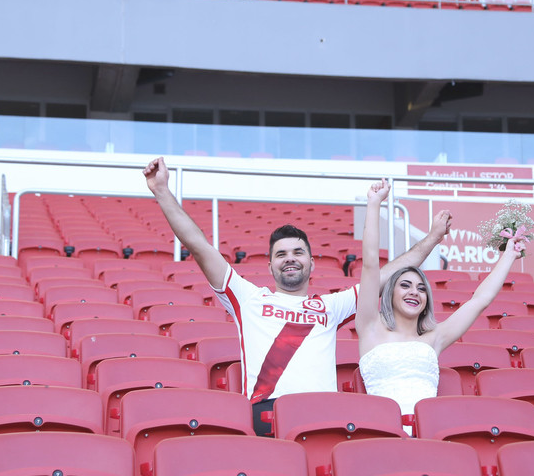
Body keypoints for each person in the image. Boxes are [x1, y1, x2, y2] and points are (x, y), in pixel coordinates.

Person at [142, 157, 450, 436]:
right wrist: (162, 191)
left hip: (325, 417)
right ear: (271, 265)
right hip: (267, 414)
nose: (290, 259)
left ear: (312, 263)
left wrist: (432, 239)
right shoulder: (249, 298)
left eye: (298, 252)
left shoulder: (331, 306)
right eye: (282, 254)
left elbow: (386, 275)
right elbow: (199, 246)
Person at [356, 179, 526, 423]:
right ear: (390, 294)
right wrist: (374, 204)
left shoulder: (434, 338)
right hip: (383, 431)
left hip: (429, 433)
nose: (414, 292)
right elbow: (371, 262)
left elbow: (480, 300)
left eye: (421, 288)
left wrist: (509, 255)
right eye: (405, 285)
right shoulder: (370, 328)